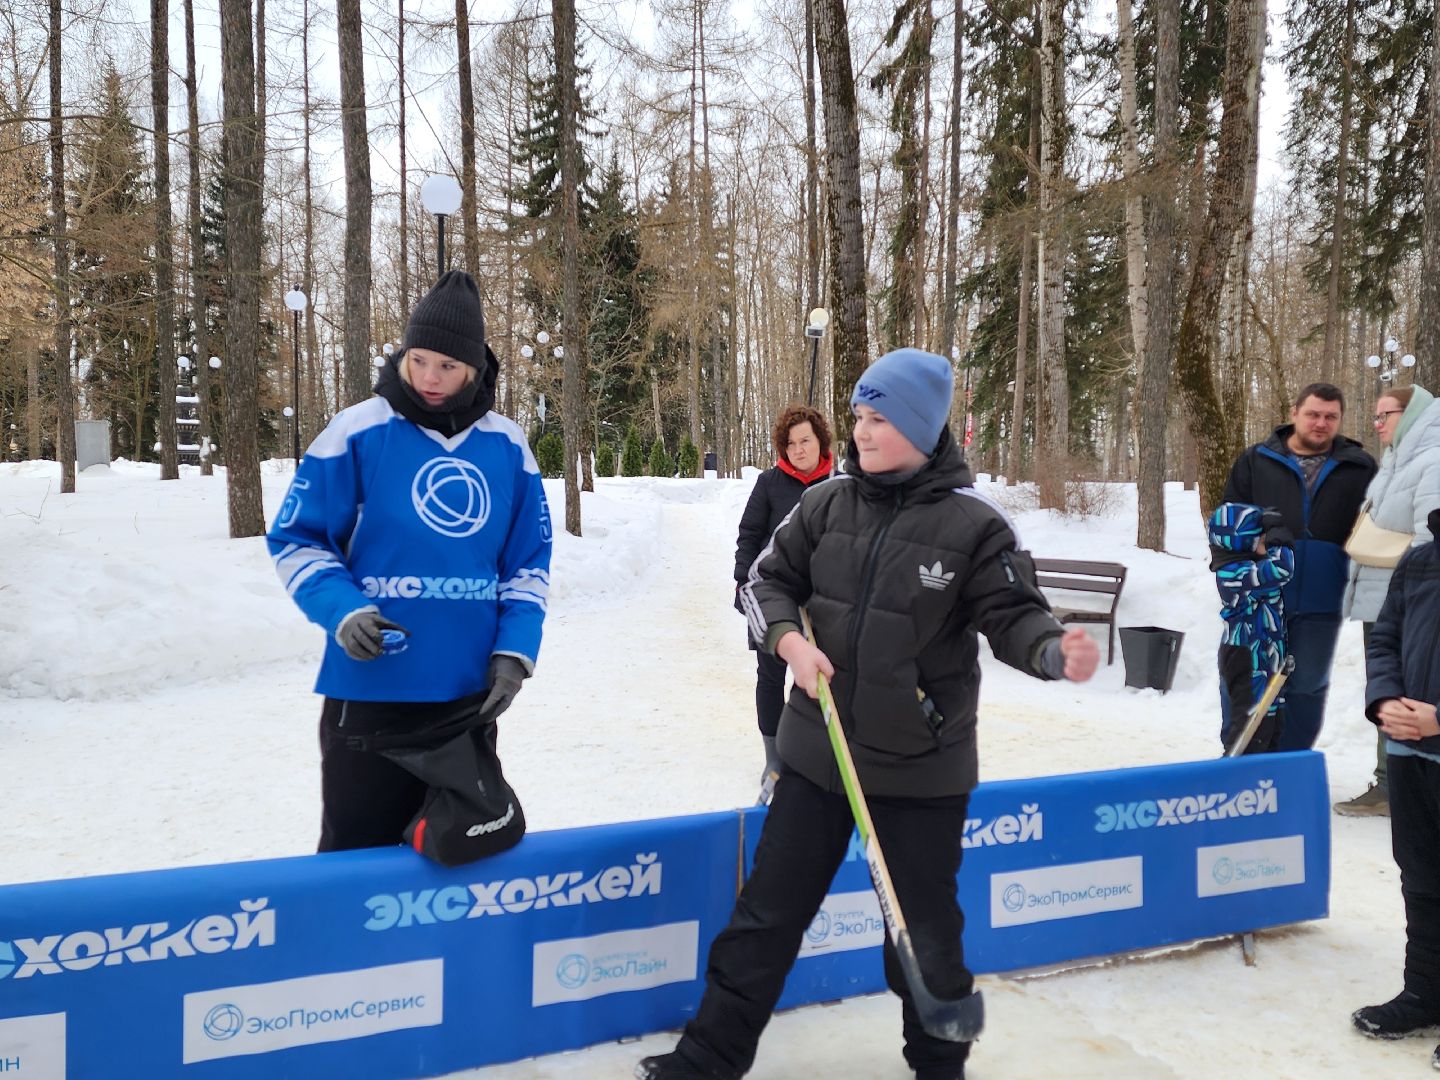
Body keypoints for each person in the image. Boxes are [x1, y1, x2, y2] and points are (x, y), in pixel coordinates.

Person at [643, 348, 1101, 1080]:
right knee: (765, 919)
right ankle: (705, 1061)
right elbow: (766, 582)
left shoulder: (974, 527)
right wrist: (790, 640)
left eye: (879, 417)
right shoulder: (824, 504)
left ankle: (940, 1067)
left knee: (922, 939)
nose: (861, 430)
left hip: (921, 772)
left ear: (921, 427)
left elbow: (1015, 614)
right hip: (819, 755)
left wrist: (1052, 651)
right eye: (858, 414)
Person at [267, 270, 552, 852]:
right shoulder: (358, 429)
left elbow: (528, 563)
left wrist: (514, 654)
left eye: (448, 366)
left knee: (456, 855)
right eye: (419, 359)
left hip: (465, 697)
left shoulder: (507, 445)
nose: (429, 377)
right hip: (370, 690)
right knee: (357, 859)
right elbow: (298, 538)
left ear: (475, 368)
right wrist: (343, 611)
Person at [1215, 382, 1376, 751]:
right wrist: (1250, 554)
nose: (1321, 423)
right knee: (1245, 678)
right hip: (1260, 598)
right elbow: (1227, 521)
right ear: (1294, 414)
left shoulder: (1359, 466)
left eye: (1330, 417)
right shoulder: (1256, 460)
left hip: (1323, 596)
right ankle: (1240, 757)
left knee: (1307, 684)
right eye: (1313, 414)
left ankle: (1290, 763)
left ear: (1339, 420)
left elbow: (1372, 527)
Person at [1349, 507, 1440, 1066]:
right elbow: (1385, 637)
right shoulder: (1422, 558)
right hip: (1410, 751)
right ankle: (1426, 993)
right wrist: (1383, 699)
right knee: (1423, 877)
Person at [1334, 384, 1440, 817]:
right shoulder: (1401, 460)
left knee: (1405, 690)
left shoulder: (1431, 461)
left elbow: (1431, 538)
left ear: (1413, 414)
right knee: (1387, 688)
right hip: (1385, 597)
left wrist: (1409, 598)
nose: (1378, 425)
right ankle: (1390, 781)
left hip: (1409, 603)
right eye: (1375, 417)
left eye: (1386, 415)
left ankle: (1398, 785)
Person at [733, 403, 833, 794]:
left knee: (818, 677)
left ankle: (813, 752)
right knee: (771, 677)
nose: (798, 450)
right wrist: (744, 581)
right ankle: (774, 759)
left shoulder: (838, 484)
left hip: (825, 599)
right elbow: (749, 534)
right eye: (790, 444)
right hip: (775, 596)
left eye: (805, 440)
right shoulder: (770, 483)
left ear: (820, 441)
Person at [1207, 503, 1295, 754]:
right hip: (1246, 660)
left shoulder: (1247, 566)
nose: (1267, 543)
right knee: (1248, 733)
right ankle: (1234, 783)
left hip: (1266, 662)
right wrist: (1279, 533)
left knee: (1271, 730)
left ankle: (1266, 785)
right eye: (1262, 538)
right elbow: (1282, 568)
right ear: (1241, 541)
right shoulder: (1234, 574)